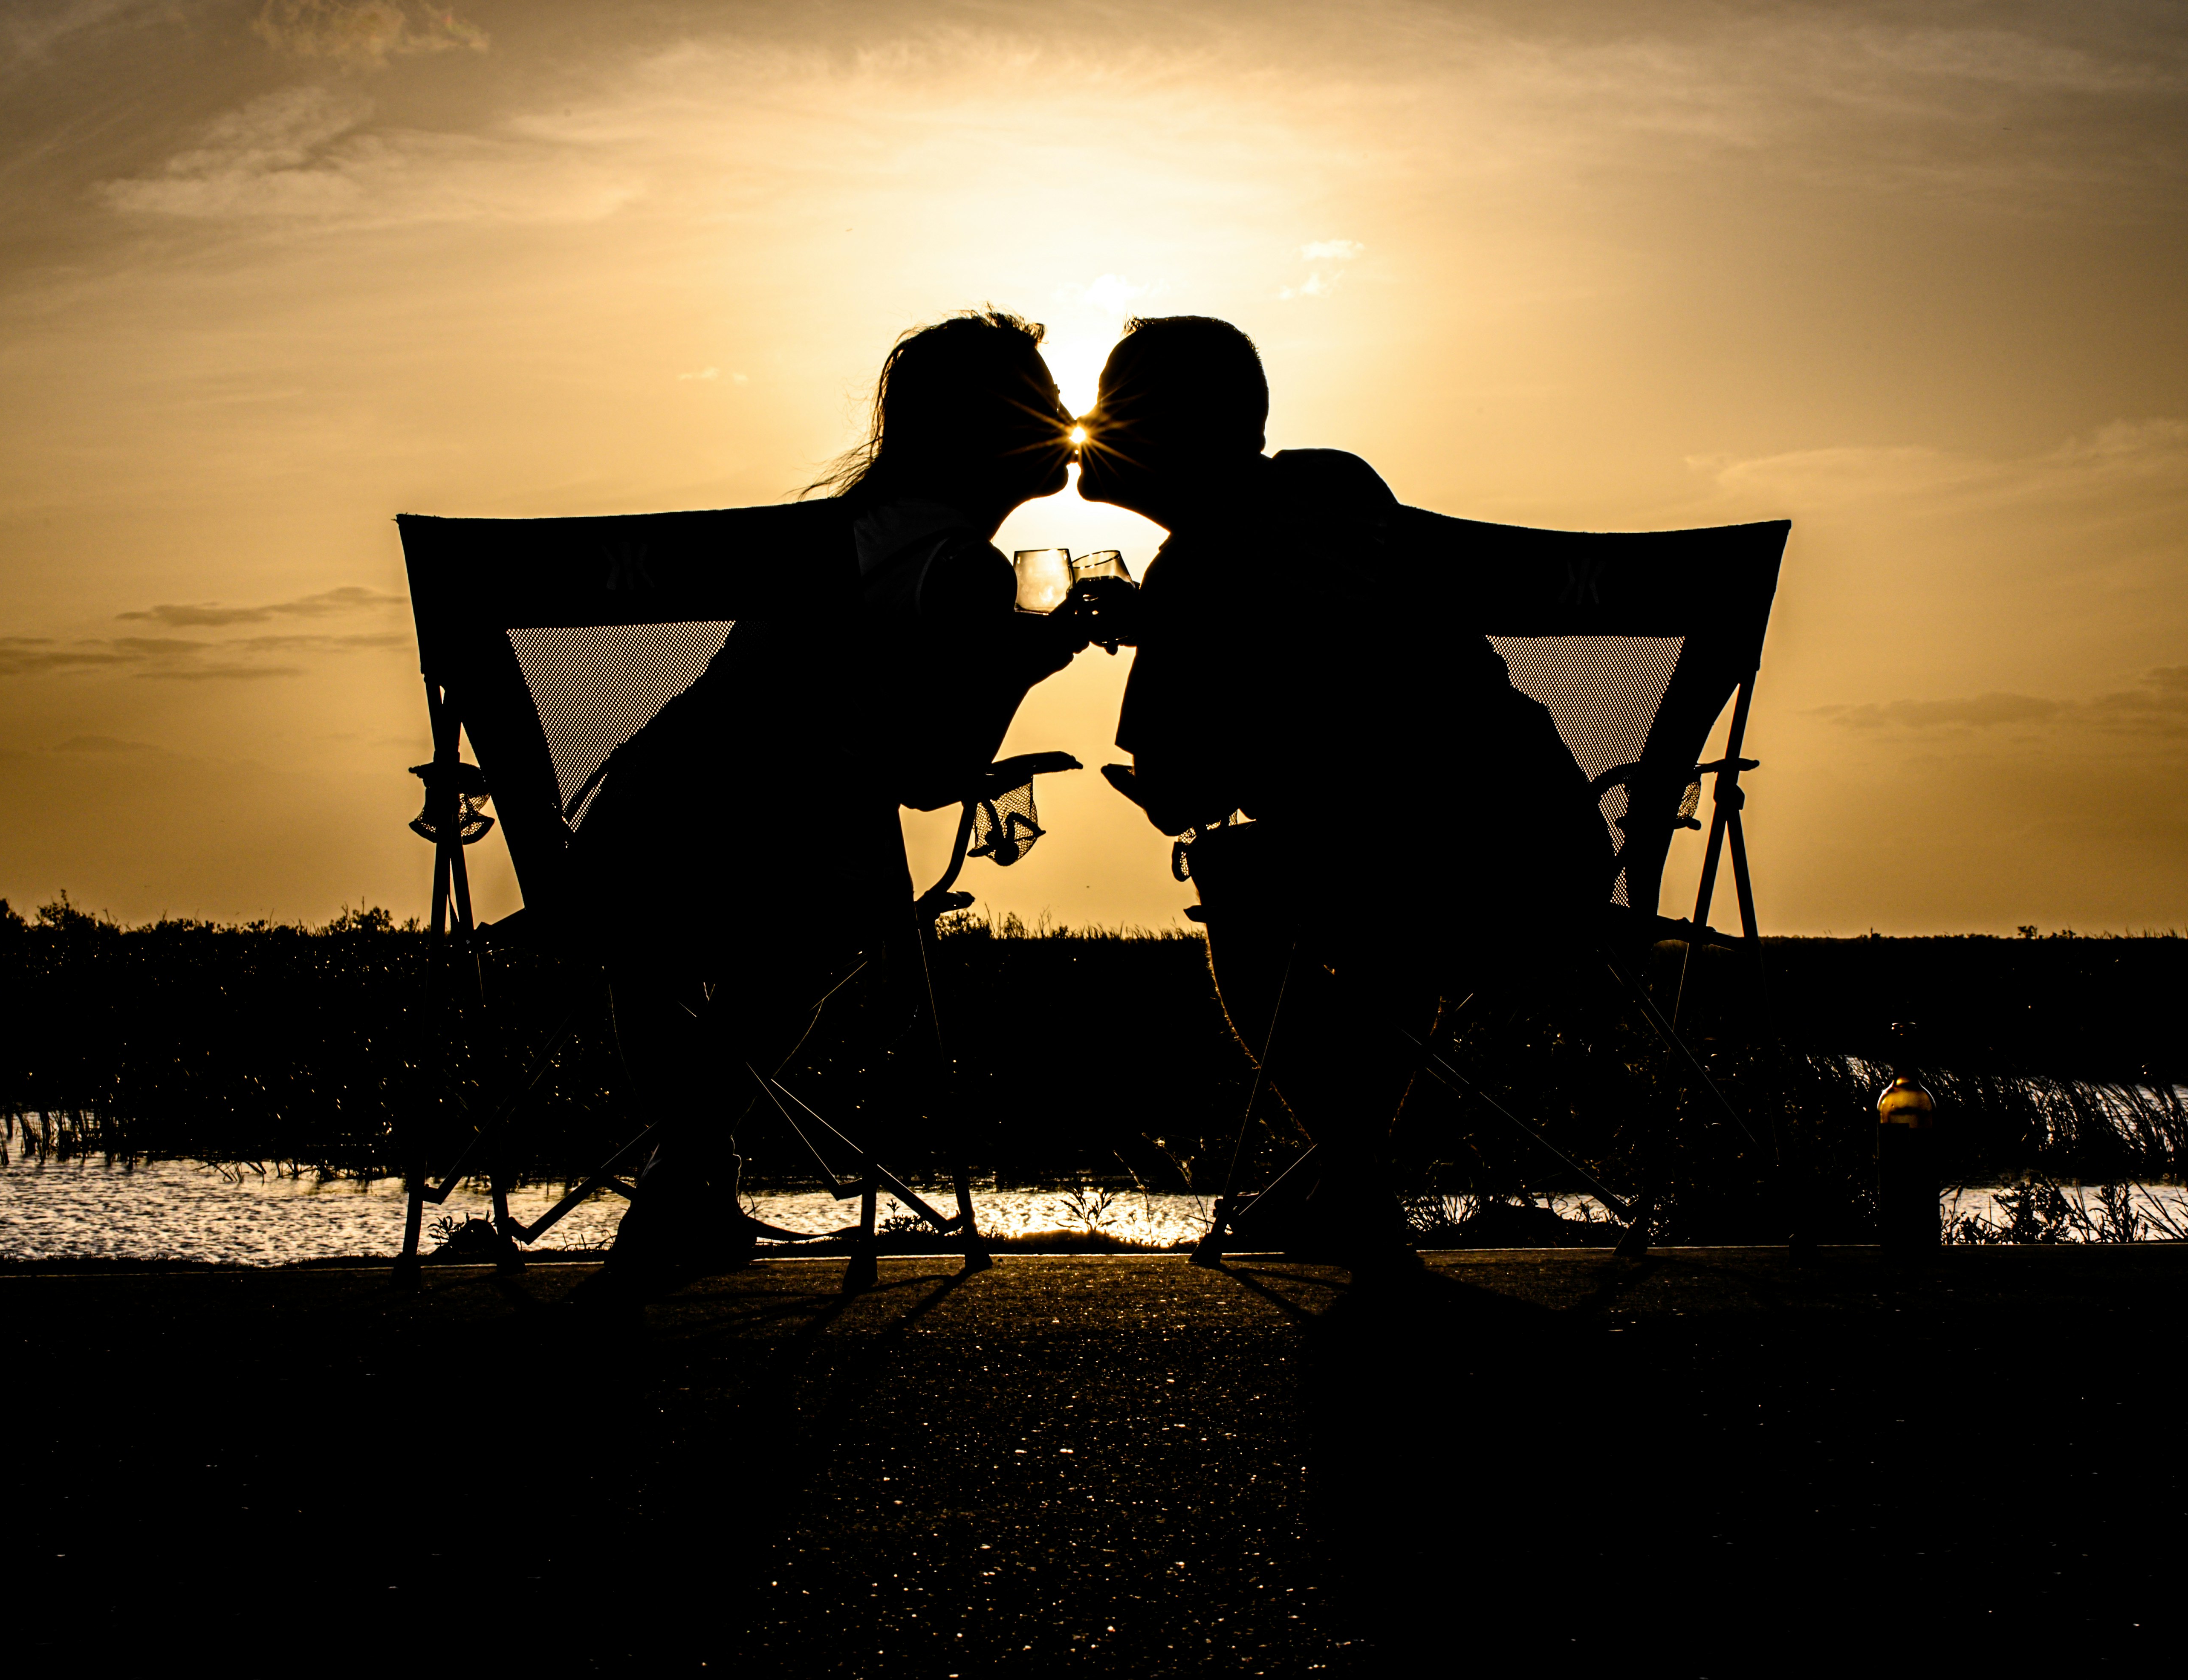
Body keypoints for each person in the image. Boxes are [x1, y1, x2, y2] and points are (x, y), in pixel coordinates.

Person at [1072, 315, 1611, 1272]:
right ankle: (1342, 1182)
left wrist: (1167, 647)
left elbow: (1179, 792)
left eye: (1110, 408)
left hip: (1413, 884)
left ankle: (1353, 1179)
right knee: (1372, 888)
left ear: (1162, 430)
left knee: (1239, 874)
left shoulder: (1193, 575)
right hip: (1553, 857)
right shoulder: (1338, 484)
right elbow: (1320, 615)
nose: (1086, 424)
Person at [573, 309, 1094, 1276]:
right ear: (991, 427)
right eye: (1048, 399)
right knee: (804, 929)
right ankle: (689, 1171)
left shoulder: (825, 538)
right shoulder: (961, 571)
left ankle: (689, 1175)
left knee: (648, 956)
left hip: (626, 844)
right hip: (788, 868)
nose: (1072, 416)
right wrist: (1034, 661)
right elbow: (934, 776)